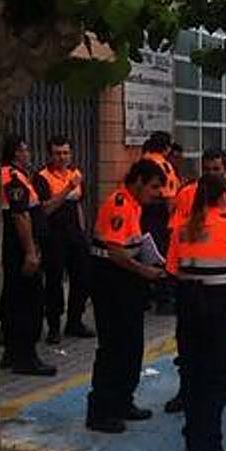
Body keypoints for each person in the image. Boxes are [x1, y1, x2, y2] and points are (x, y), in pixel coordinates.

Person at [167, 173, 226, 451]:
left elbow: (171, 268)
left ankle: (194, 435)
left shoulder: (182, 227)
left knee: (193, 373)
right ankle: (209, 446)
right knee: (217, 376)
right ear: (223, 197)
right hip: (218, 308)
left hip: (188, 306)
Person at [85, 159, 169, 433]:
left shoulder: (135, 205)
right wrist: (144, 270)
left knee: (132, 344)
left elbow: (132, 244)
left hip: (127, 281)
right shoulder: (119, 204)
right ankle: (100, 410)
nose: (158, 193)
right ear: (138, 181)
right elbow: (115, 251)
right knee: (114, 346)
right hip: (111, 280)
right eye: (154, 187)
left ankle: (123, 401)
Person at [0, 134, 56, 376]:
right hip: (19, 250)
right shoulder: (11, 177)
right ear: (15, 153)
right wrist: (31, 252)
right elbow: (20, 215)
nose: (28, 154)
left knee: (12, 302)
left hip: (15, 249)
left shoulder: (15, 176)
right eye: (24, 150)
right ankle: (26, 357)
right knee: (28, 304)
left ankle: (12, 353)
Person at [33, 135, 94, 344]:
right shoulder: (42, 178)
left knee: (83, 278)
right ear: (50, 155)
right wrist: (67, 189)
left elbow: (78, 205)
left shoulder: (75, 174)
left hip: (75, 235)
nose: (62, 157)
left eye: (66, 153)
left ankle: (75, 321)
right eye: (58, 153)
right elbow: (45, 209)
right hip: (53, 237)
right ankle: (53, 327)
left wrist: (83, 232)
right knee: (54, 282)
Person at [140, 132, 181, 315]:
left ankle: (144, 297)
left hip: (139, 212)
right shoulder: (164, 166)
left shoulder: (142, 161)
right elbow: (169, 198)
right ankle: (164, 299)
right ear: (166, 148)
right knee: (162, 256)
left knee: (143, 253)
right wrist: (172, 223)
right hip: (158, 213)